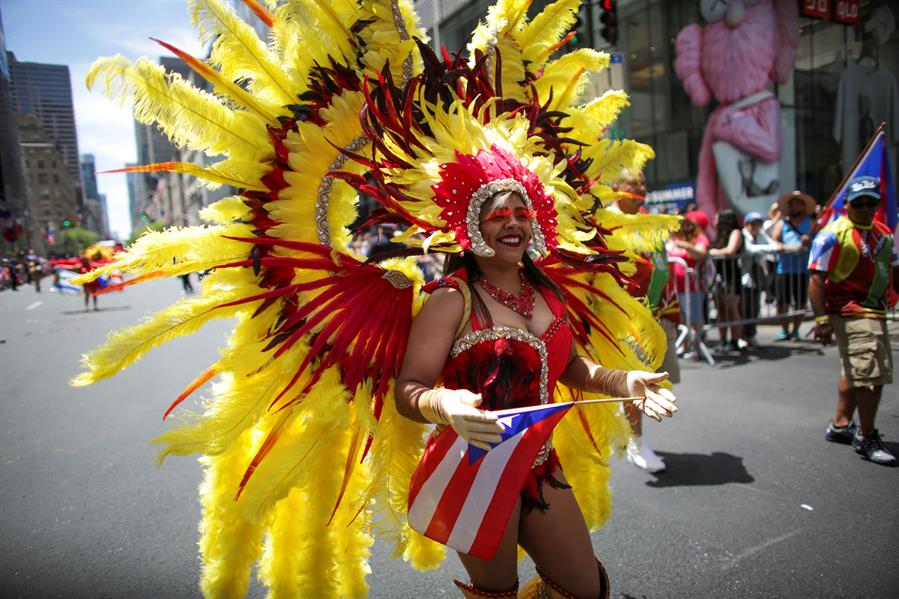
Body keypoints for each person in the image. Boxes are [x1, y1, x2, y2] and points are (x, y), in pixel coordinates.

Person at [396, 189, 677, 598]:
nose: (513, 223)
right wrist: (444, 404)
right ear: (471, 226)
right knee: (498, 593)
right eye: (497, 216)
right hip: (473, 468)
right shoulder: (451, 300)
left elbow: (571, 366)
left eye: (522, 214)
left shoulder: (547, 292)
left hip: (539, 464)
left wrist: (622, 382)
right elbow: (409, 390)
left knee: (584, 588)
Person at [809, 176, 898, 466]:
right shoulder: (831, 234)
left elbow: (894, 270)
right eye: (858, 203)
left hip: (876, 310)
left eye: (870, 202)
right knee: (870, 376)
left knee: (857, 370)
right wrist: (821, 320)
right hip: (848, 311)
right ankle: (867, 435)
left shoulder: (884, 234)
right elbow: (816, 279)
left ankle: (840, 424)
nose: (864, 208)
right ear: (846, 204)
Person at [606, 173, 674, 473]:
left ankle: (625, 427)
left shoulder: (649, 221)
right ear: (617, 189)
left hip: (655, 313)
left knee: (654, 378)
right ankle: (636, 441)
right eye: (635, 185)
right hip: (622, 318)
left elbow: (661, 267)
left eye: (645, 184)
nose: (642, 190)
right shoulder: (606, 222)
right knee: (637, 382)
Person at [771, 191, 818, 341]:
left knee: (800, 302)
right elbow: (774, 242)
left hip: (802, 270)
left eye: (798, 204)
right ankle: (785, 330)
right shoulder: (782, 224)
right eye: (793, 204)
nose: (795, 207)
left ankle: (796, 330)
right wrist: (787, 248)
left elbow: (820, 240)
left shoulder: (810, 224)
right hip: (784, 269)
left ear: (803, 207)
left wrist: (809, 241)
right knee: (782, 302)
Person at [667, 217, 709, 358]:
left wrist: (685, 245)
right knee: (682, 319)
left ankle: (699, 346)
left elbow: (701, 254)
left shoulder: (699, 238)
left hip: (692, 287)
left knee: (695, 319)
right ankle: (685, 345)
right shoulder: (671, 240)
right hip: (676, 288)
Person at [740, 212, 781, 346]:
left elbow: (773, 246)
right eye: (752, 223)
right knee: (744, 307)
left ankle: (751, 334)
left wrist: (766, 248)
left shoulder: (761, 234)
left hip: (757, 273)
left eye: (757, 223)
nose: (755, 226)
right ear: (746, 225)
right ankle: (742, 335)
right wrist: (767, 249)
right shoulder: (743, 235)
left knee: (755, 307)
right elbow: (750, 250)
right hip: (744, 275)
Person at [708, 209, 743, 352]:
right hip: (719, 276)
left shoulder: (735, 232)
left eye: (717, 218)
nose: (714, 220)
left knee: (732, 308)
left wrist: (710, 252)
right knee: (721, 309)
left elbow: (730, 251)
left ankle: (734, 340)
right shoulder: (718, 235)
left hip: (731, 276)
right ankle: (723, 340)